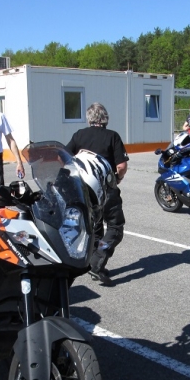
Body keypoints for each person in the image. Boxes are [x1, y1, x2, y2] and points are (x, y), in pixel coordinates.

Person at [65, 102, 128, 286]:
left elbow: (65, 157)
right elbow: (121, 166)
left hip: (84, 190)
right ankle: (97, 261)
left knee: (96, 227)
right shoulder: (112, 136)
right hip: (106, 188)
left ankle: (94, 262)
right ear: (105, 118)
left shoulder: (79, 135)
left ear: (89, 118)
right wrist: (117, 179)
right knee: (115, 227)